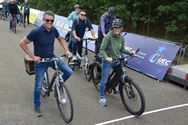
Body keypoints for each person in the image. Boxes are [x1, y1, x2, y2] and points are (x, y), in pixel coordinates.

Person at [19, 11, 73, 117]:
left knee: (68, 71)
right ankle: (37, 105)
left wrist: (67, 50)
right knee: (38, 86)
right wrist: (33, 57)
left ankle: (58, 86)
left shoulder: (53, 30)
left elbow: (60, 39)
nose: (49, 22)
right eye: (47, 20)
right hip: (40, 62)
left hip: (52, 58)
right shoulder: (36, 32)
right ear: (43, 20)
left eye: (51, 20)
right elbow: (22, 43)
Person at [98, 19, 134, 107]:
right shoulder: (108, 36)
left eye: (118, 28)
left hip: (116, 59)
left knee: (120, 73)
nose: (116, 29)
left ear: (121, 28)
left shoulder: (121, 37)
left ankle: (115, 86)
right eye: (115, 28)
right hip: (108, 61)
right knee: (104, 80)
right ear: (112, 28)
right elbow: (101, 50)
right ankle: (102, 97)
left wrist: (130, 52)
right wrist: (107, 57)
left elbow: (121, 49)